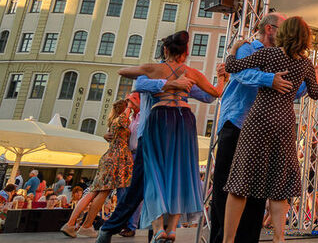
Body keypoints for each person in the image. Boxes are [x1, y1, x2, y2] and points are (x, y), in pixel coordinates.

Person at [221, 16, 318, 243]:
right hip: (285, 123)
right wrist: (311, 77)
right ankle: (279, 238)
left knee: (240, 180)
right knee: (279, 182)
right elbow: (315, 93)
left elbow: (232, 67)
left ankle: (228, 240)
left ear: (283, 33)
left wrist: (235, 49)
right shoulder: (306, 64)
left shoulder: (269, 54)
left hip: (259, 119)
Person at [118, 30, 226, 242]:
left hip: (160, 118)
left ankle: (159, 228)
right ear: (186, 52)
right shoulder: (191, 73)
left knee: (155, 172)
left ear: (165, 49)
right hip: (184, 119)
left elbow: (124, 72)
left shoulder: (153, 68)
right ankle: (173, 228)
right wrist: (222, 78)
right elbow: (215, 93)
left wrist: (161, 81)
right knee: (180, 172)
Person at [75, 99, 134, 238]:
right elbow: (125, 120)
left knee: (96, 192)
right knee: (102, 192)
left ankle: (75, 223)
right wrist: (130, 106)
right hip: (116, 158)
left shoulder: (114, 121)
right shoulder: (122, 120)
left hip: (110, 157)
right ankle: (86, 226)